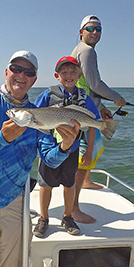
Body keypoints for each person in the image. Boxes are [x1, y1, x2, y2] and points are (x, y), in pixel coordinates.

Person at [0, 50, 81, 267]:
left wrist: (65, 147)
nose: (21, 74)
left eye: (28, 71)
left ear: (34, 80)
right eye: (16, 69)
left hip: (16, 205)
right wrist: (1, 138)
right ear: (6, 72)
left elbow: (49, 160)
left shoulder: (37, 114)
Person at [33, 56, 100, 238]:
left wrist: (90, 151)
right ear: (57, 75)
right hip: (51, 148)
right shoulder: (47, 94)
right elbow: (35, 117)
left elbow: (93, 124)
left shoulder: (84, 97)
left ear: (79, 75)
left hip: (73, 149)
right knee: (46, 184)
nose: (68, 75)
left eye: (72, 72)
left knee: (69, 184)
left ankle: (68, 217)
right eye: (64, 72)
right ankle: (44, 218)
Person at [71, 15, 126, 223]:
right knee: (84, 154)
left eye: (98, 28)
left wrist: (101, 106)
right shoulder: (86, 51)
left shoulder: (81, 50)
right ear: (81, 32)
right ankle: (74, 208)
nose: (95, 32)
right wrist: (116, 98)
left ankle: (86, 180)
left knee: (91, 149)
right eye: (90, 28)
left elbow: (85, 84)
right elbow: (95, 84)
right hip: (83, 110)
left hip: (88, 106)